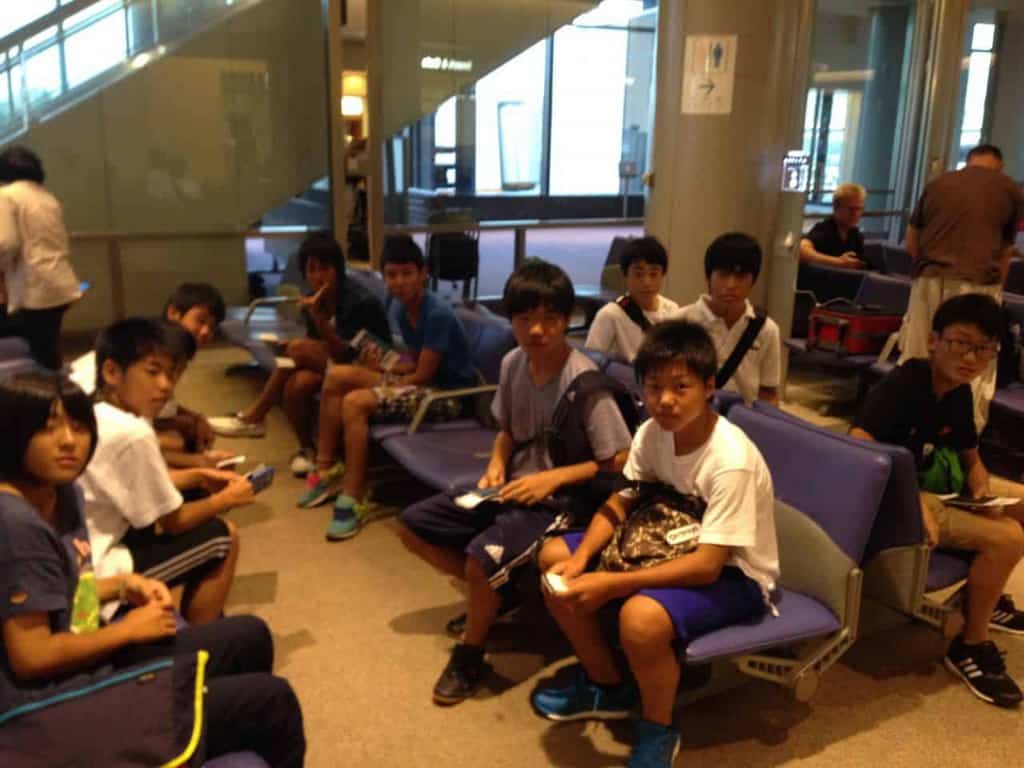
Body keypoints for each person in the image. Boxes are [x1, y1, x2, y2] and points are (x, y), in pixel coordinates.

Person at [0, 372, 305, 767]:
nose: (69, 441)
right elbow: (32, 656)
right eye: (47, 428)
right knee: (272, 702)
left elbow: (61, 592)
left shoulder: (62, 491)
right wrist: (127, 630)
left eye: (78, 426)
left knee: (250, 635)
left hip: (86, 656)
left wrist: (124, 585)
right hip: (48, 704)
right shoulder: (15, 525)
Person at [532, 320, 779, 767]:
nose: (665, 400)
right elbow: (621, 500)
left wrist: (609, 583)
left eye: (681, 387)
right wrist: (583, 558)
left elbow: (707, 566)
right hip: (664, 536)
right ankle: (608, 686)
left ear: (709, 387)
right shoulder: (651, 431)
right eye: (654, 387)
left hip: (734, 571)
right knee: (555, 559)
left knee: (640, 618)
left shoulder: (731, 461)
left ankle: (658, 728)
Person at [398, 259, 633, 705]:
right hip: (512, 486)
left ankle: (470, 653)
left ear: (567, 319)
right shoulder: (512, 364)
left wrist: (553, 478)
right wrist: (496, 462)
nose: (537, 330)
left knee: (479, 561)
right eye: (525, 319)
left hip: (563, 501)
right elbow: (508, 431)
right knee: (413, 525)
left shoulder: (585, 382)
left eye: (550, 319)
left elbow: (619, 460)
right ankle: (498, 595)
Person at [851, 293, 1024, 708]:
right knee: (1008, 539)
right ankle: (970, 645)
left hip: (932, 491)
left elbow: (969, 454)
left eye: (983, 348)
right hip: (892, 500)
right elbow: (858, 448)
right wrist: (914, 505)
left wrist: (981, 487)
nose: (970, 357)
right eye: (960, 343)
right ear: (934, 341)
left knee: (1018, 508)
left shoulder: (959, 392)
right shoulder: (905, 384)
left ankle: (983, 599)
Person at [298, 235, 476, 542]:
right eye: (392, 275)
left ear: (423, 274)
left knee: (354, 402)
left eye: (407, 273)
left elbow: (423, 376)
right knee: (338, 376)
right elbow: (413, 361)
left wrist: (382, 378)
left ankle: (353, 496)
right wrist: (384, 365)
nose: (400, 282)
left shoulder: (437, 313)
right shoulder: (402, 309)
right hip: (424, 386)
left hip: (448, 398)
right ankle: (325, 467)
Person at [78, 318, 255, 625]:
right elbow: (174, 521)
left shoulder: (99, 413)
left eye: (171, 374)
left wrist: (199, 475)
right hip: (98, 571)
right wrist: (228, 498)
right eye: (153, 372)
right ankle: (203, 642)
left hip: (81, 548)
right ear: (112, 372)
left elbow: (140, 485)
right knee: (224, 536)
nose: (165, 385)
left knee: (194, 492)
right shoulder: (133, 434)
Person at [209, 234, 390, 477]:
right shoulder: (315, 298)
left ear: (338, 269)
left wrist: (315, 325)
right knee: (298, 384)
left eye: (325, 268)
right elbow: (318, 342)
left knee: (297, 349)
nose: (318, 276)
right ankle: (307, 450)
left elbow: (344, 354)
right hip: (335, 364)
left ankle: (254, 417)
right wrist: (299, 342)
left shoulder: (359, 302)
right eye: (311, 270)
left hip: (370, 368)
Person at [900, 144, 1024, 433]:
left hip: (928, 279)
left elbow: (911, 243)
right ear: (999, 167)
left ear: (968, 163)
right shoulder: (1009, 190)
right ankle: (962, 437)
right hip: (977, 284)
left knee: (919, 355)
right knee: (974, 363)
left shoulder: (937, 184)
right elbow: (1005, 253)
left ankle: (907, 428)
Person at [70, 282, 230, 469]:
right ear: (173, 313)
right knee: (174, 442)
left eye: (212, 327)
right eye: (200, 321)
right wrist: (198, 465)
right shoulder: (145, 349)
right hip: (80, 435)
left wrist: (194, 419)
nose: (205, 332)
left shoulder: (158, 346)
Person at [0, 146, 82, 369]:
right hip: (60, 282)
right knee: (47, 348)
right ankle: (54, 382)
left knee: (39, 354)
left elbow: (6, 243)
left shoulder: (6, 195)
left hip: (34, 286)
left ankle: (46, 387)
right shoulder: (47, 197)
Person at [676, 233, 781, 404]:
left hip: (743, 417)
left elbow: (768, 392)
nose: (731, 285)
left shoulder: (767, 329)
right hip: (691, 414)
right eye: (723, 275)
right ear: (708, 277)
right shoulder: (680, 321)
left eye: (741, 276)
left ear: (753, 280)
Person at [585, 236, 679, 362]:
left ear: (663, 275)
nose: (646, 282)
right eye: (638, 274)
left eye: (653, 274)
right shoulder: (610, 315)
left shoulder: (672, 310)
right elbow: (591, 361)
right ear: (625, 275)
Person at [799, 182, 868, 269]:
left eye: (859, 209)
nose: (855, 214)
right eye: (851, 209)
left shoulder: (856, 234)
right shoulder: (825, 229)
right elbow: (802, 250)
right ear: (836, 208)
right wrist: (838, 262)